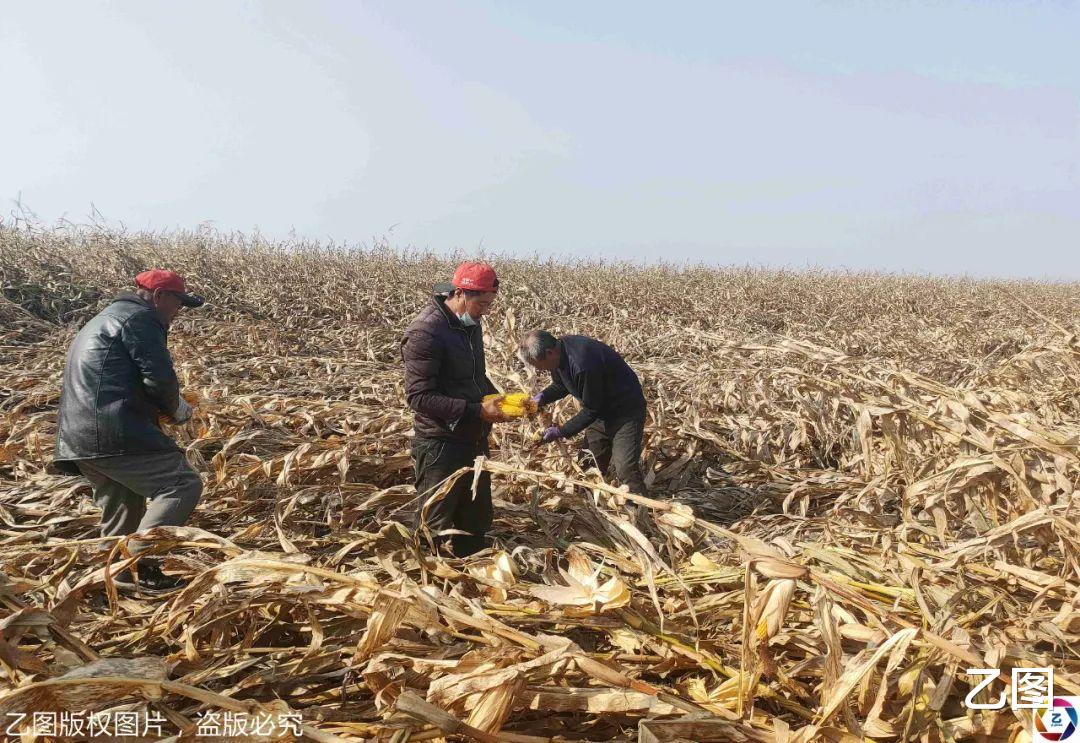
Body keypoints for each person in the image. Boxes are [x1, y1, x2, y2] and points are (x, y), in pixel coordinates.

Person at [54, 269, 205, 594]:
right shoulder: (140, 318)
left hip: (79, 436)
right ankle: (136, 562)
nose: (177, 312)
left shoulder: (103, 318)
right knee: (182, 484)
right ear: (160, 296)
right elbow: (159, 378)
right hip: (114, 430)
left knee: (124, 503)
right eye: (178, 303)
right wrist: (176, 407)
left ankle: (116, 582)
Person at [401, 261, 511, 557]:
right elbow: (419, 398)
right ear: (460, 293)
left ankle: (471, 581)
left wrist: (498, 399)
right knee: (433, 525)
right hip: (440, 444)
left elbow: (474, 375)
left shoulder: (470, 324)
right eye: (482, 303)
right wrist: (477, 410)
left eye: (490, 303)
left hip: (473, 439)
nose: (486, 310)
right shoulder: (426, 333)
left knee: (476, 522)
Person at [519, 330, 649, 495]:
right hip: (601, 411)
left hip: (625, 413)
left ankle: (640, 510)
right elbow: (562, 385)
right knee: (588, 464)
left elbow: (592, 408)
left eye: (539, 365)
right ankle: (587, 506)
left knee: (625, 468)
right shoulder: (558, 353)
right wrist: (542, 397)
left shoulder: (582, 364)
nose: (540, 370)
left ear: (549, 353)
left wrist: (561, 431)